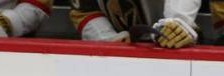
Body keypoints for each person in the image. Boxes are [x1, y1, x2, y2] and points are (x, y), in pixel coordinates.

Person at [69, 0, 199, 48]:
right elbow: (85, 9)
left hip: (171, 53)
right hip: (117, 61)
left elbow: (178, 24)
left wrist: (179, 21)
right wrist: (107, 38)